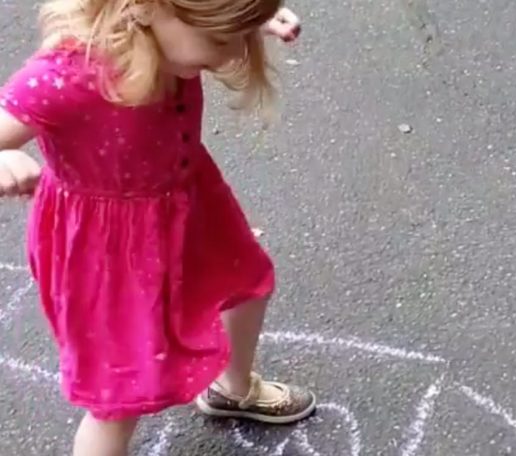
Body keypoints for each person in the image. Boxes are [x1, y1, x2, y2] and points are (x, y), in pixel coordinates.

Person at [0, 1, 315, 455]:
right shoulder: (67, 74)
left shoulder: (171, 28)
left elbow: (201, 18)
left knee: (248, 283)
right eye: (220, 40)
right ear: (143, 8)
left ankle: (233, 388)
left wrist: (244, 20)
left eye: (237, 37)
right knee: (117, 400)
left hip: (185, 199)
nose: (230, 57)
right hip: (107, 247)